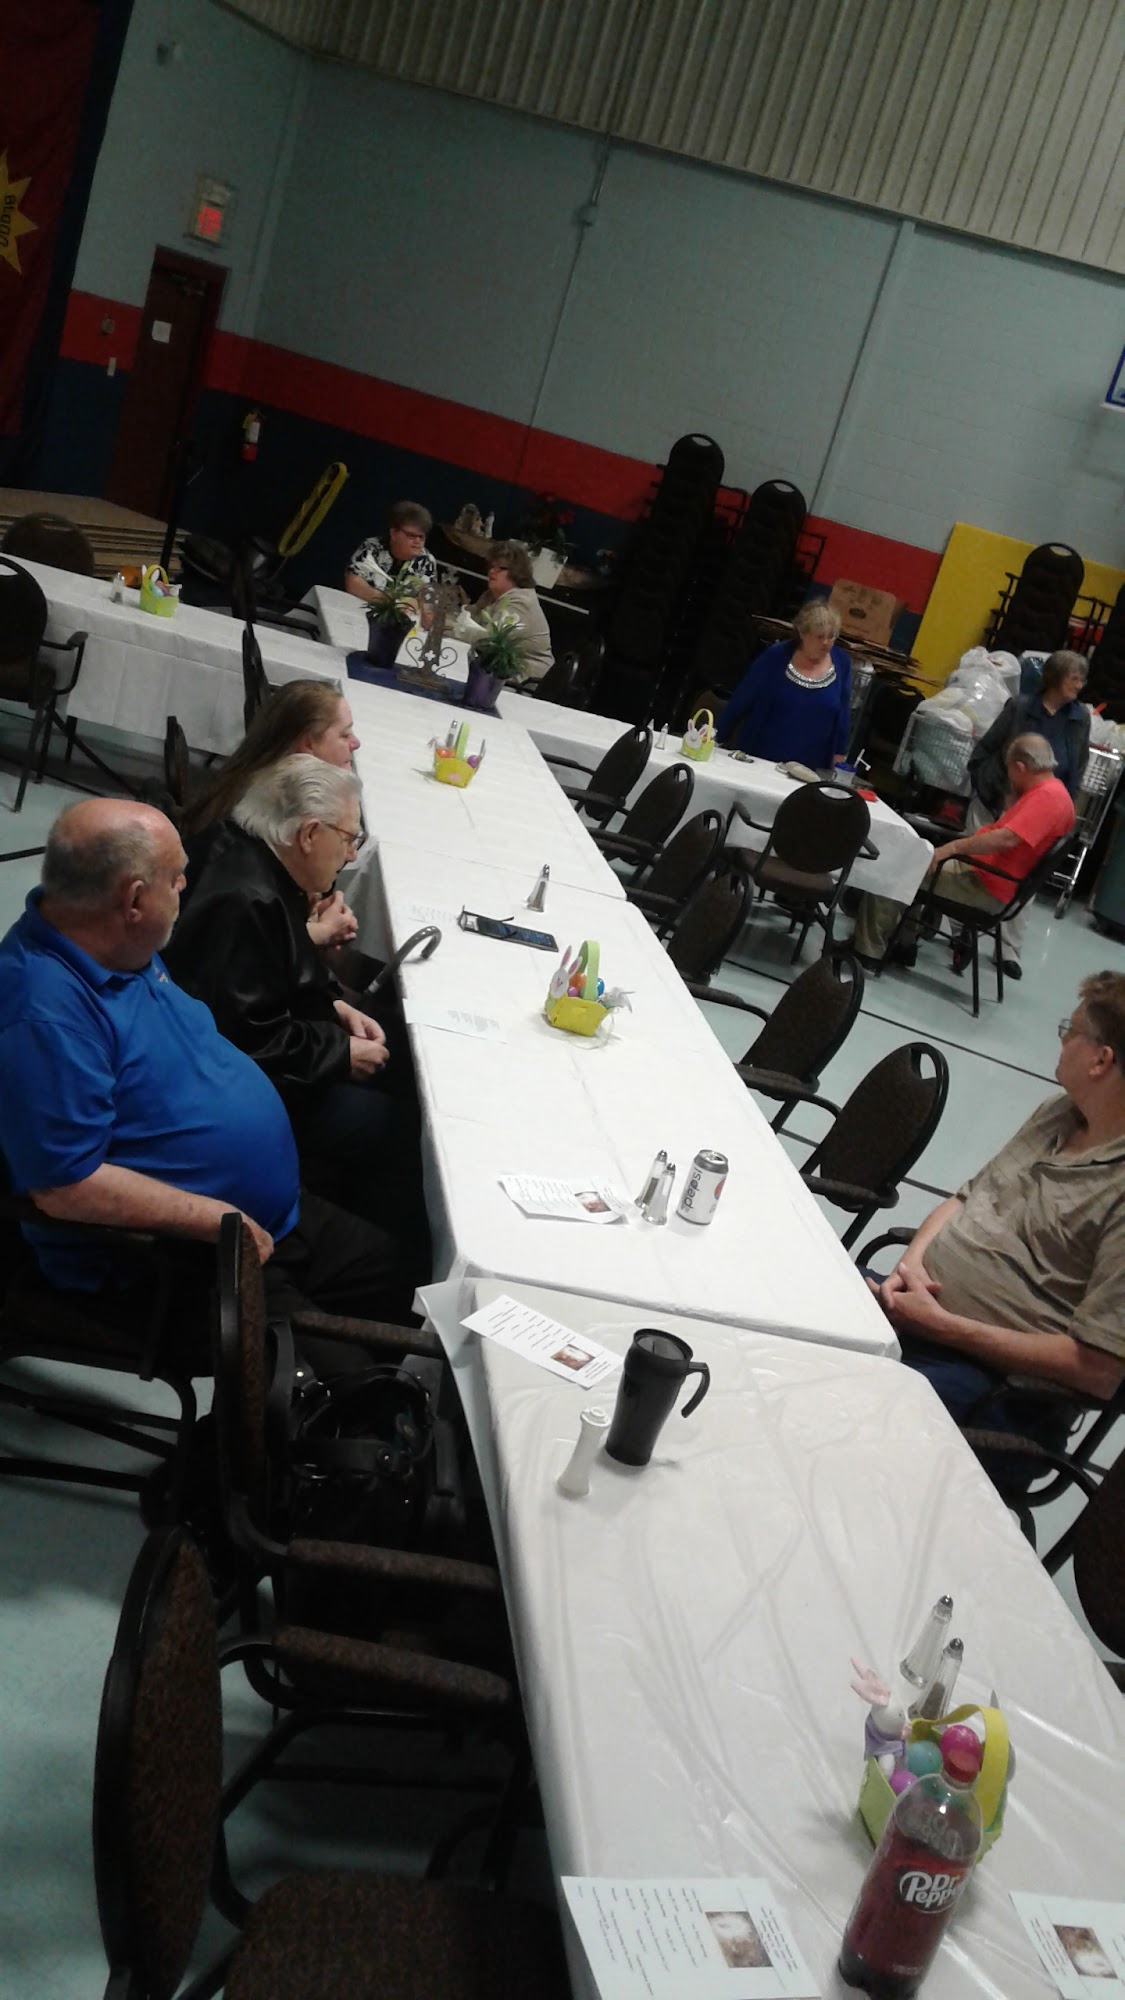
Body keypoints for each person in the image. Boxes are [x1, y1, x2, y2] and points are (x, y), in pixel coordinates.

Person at [0, 799, 425, 1364]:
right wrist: (221, 1222)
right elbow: (66, 1186)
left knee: (413, 1285)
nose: (186, 885)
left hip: (265, 1217)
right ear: (133, 900)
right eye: (176, 878)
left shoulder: (113, 942)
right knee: (351, 1397)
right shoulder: (45, 1014)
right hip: (182, 1261)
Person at [164, 757, 422, 1245]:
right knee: (406, 1129)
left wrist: (335, 1005)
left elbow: (277, 969)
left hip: (275, 1060)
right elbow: (245, 1040)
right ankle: (369, 1241)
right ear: (308, 834)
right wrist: (339, 1052)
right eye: (348, 838)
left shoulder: (250, 856)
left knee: (403, 1066)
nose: (351, 854)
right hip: (248, 1097)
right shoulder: (247, 900)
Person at [873, 972, 1125, 1451]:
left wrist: (944, 1328)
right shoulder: (1058, 1111)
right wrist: (912, 1267)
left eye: (1070, 1031)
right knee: (800, 1315)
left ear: (1101, 1059)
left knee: (835, 1401)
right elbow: (964, 1200)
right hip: (920, 1315)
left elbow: (1097, 1369)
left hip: (998, 1389)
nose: (1062, 1041)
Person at [852, 733, 1075, 966]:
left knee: (897, 867)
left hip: (984, 884)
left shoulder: (1047, 798)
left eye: (1009, 770)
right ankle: (902, 943)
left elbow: (1005, 839)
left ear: (1020, 767)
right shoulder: (1055, 793)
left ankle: (867, 951)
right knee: (917, 862)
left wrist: (953, 847)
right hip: (989, 878)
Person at [182, 680, 362, 954]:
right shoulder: (254, 809)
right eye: (344, 734)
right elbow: (238, 935)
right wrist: (313, 931)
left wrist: (305, 907)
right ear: (308, 743)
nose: (356, 743)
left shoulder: (264, 783)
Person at [965, 649, 1090, 977]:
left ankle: (1008, 949)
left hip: (1040, 813)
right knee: (975, 865)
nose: (1080, 684)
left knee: (1024, 876)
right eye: (1074, 677)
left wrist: (1065, 807)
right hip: (998, 799)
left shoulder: (1079, 718)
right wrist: (995, 792)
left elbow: (1077, 767)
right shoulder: (1019, 707)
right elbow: (985, 751)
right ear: (1055, 677)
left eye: (1083, 678)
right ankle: (963, 933)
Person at [716, 601, 852, 766]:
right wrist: (715, 736)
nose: (826, 642)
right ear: (802, 633)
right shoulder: (776, 656)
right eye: (819, 636)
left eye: (831, 636)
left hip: (811, 767)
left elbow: (843, 714)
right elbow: (742, 698)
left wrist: (839, 756)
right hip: (761, 759)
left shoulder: (842, 662)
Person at [471, 540, 554, 684]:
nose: (492, 571)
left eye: (501, 568)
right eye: (491, 566)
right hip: (498, 670)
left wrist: (448, 627)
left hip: (526, 680)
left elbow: (490, 642)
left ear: (517, 573)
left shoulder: (521, 602)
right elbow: (467, 617)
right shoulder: (491, 595)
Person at [344, 499, 437, 604]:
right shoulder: (372, 547)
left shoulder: (426, 561)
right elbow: (353, 582)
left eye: (421, 537)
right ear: (393, 533)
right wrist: (388, 601)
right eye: (411, 536)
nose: (417, 541)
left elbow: (428, 602)